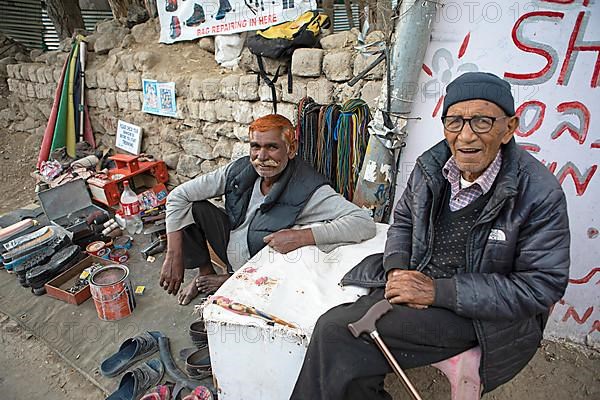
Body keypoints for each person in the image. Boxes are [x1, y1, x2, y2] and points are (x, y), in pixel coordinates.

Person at [290, 72, 570, 399]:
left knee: (339, 331)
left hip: (481, 316)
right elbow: (405, 221)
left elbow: (542, 285)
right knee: (345, 338)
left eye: (482, 122)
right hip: (422, 286)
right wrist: (396, 269)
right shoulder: (431, 166)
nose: (466, 136)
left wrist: (439, 292)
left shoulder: (537, 191)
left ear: (508, 128)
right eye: (455, 122)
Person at [159, 114, 377, 305]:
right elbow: (178, 196)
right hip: (232, 242)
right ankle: (205, 275)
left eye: (272, 147)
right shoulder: (240, 169)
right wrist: (173, 254)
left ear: (291, 149)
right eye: (256, 146)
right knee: (192, 207)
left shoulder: (308, 188)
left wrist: (302, 236)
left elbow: (363, 222)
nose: (261, 157)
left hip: (260, 263)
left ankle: (233, 280)